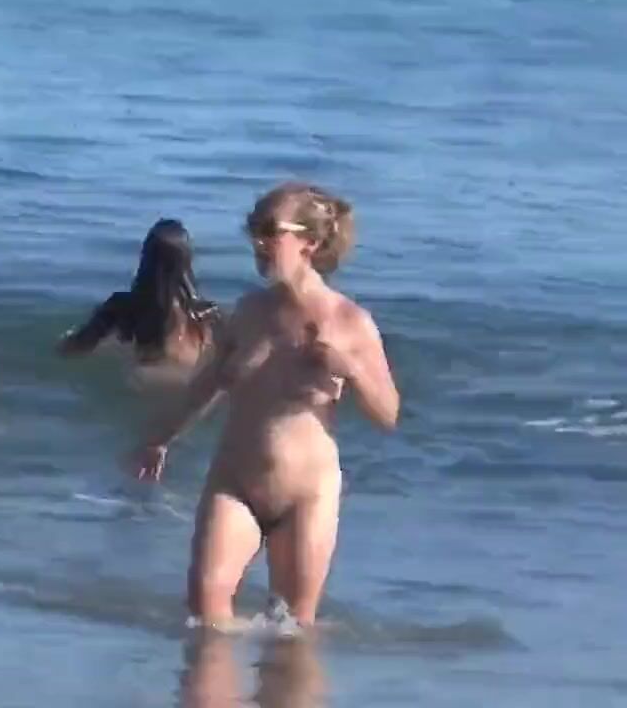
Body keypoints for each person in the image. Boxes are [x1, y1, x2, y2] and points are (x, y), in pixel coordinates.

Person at [130, 182, 399, 627]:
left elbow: (388, 413)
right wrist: (160, 439)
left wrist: (350, 367)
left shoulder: (350, 322)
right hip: (235, 481)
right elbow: (208, 384)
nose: (257, 241)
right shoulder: (249, 311)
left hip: (307, 494)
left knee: (293, 627)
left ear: (310, 243)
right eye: (253, 228)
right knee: (205, 612)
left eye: (270, 230)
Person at [58, 219, 223, 467]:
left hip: (138, 398)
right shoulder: (208, 314)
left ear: (145, 259)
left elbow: (72, 349)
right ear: (187, 262)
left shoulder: (121, 308)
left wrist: (69, 340)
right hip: (186, 407)